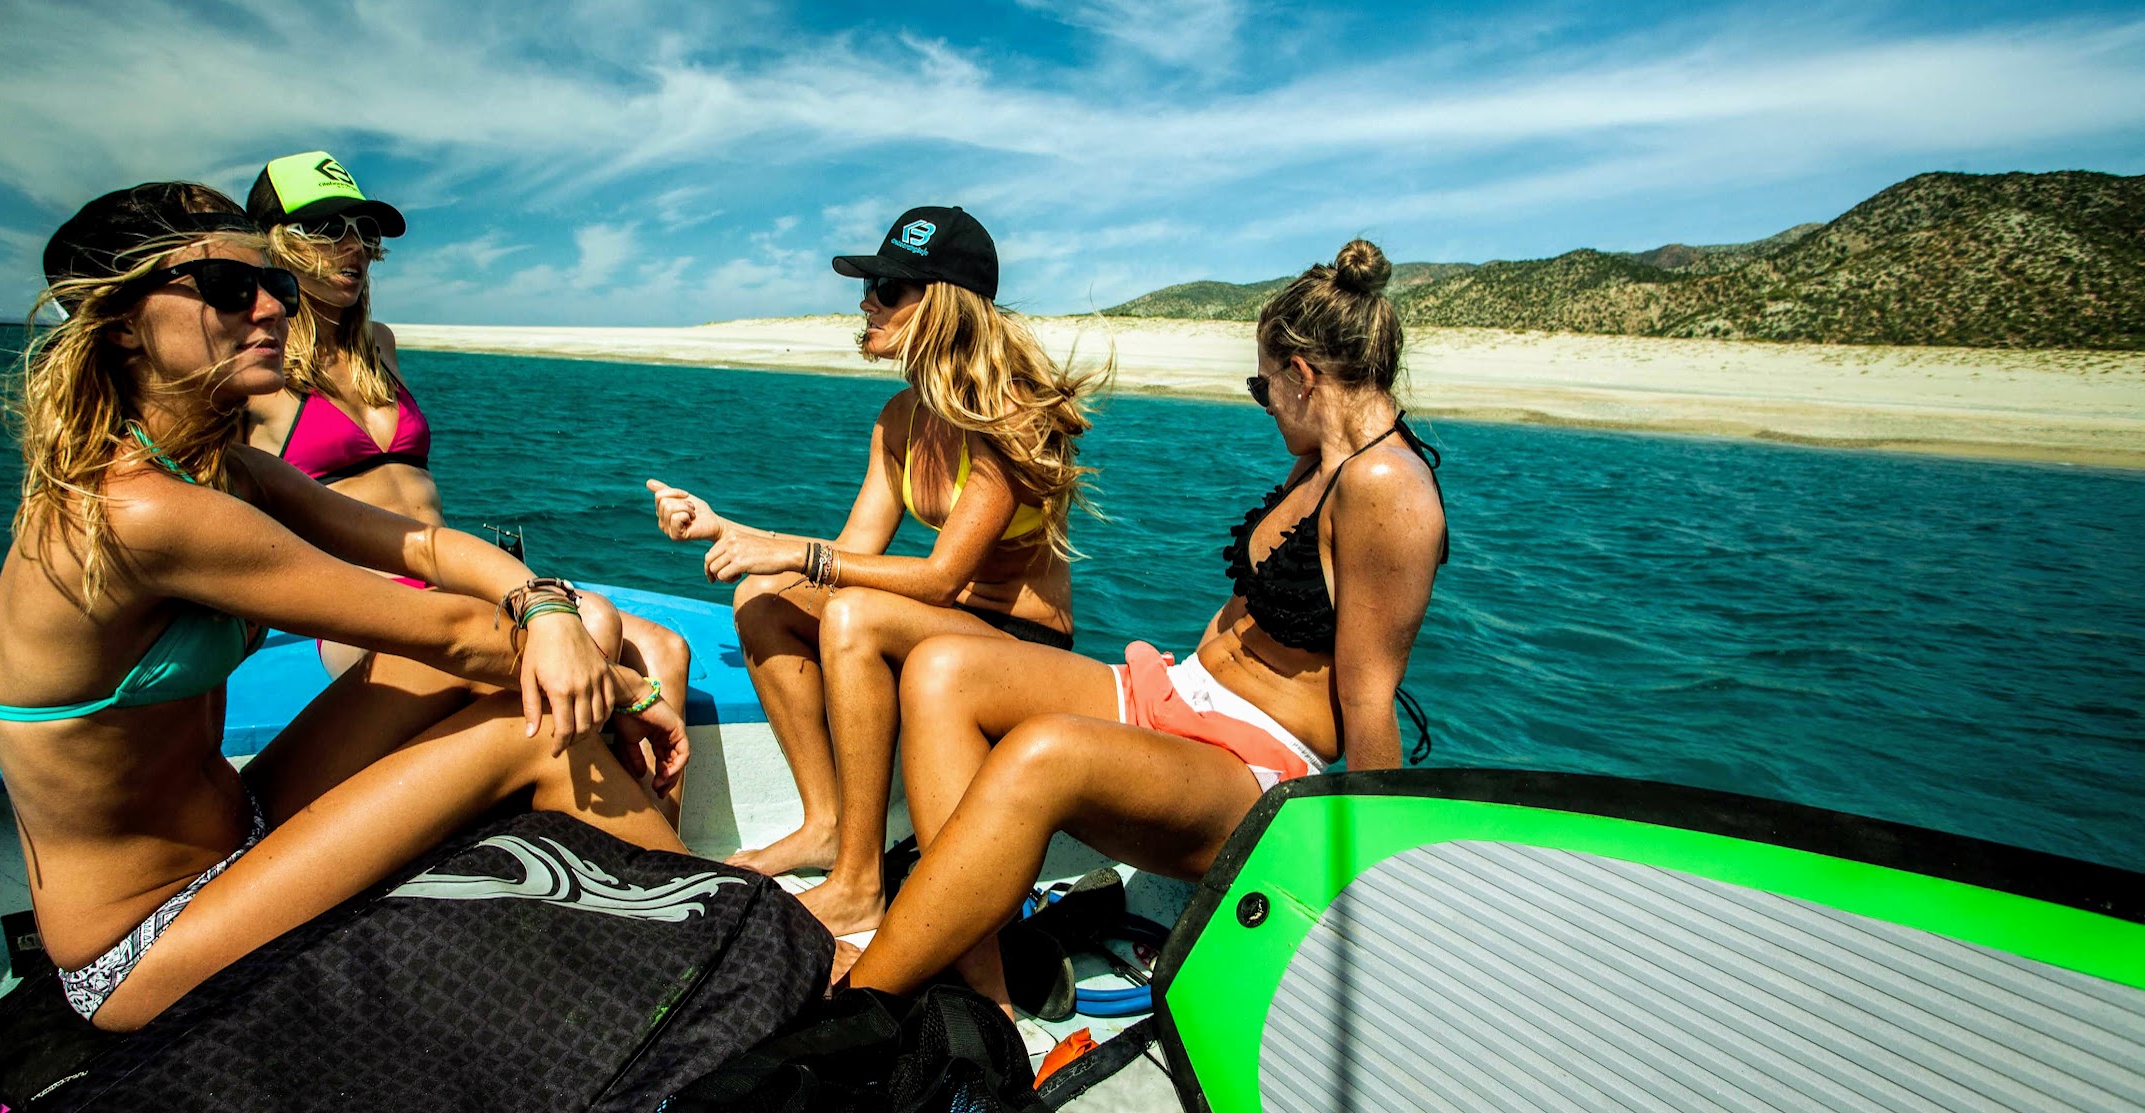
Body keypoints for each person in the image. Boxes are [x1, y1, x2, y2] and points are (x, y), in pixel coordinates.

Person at [0, 183, 687, 1032]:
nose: (269, 309)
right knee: (533, 728)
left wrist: (543, 605)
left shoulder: (219, 471)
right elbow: (454, 631)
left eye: (277, 289)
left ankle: (628, 904)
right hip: (144, 939)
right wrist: (635, 691)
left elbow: (424, 549)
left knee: (553, 648)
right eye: (225, 288)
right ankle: (714, 935)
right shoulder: (143, 510)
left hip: (239, 823)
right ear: (120, 321)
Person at [845, 238, 1445, 1006]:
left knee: (1045, 752)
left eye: (1262, 390)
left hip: (1254, 767)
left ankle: (860, 994)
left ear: (1300, 376)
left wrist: (1366, 891)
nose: (1263, 408)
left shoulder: (1387, 484)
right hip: (1179, 699)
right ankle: (983, 984)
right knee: (941, 667)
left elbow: (1368, 698)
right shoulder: (1320, 457)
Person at [646, 207, 1099, 937]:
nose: (866, 304)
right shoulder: (900, 417)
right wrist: (730, 530)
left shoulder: (1010, 414)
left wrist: (793, 552)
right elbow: (850, 551)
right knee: (762, 597)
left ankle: (858, 882)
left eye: (887, 288)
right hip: (939, 621)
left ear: (941, 304)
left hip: (1020, 645)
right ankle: (824, 824)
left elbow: (941, 580)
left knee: (852, 614)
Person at [238, 151, 691, 808]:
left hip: (448, 569)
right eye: (327, 229)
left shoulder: (378, 345)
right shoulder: (257, 369)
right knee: (591, 620)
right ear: (272, 245)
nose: (353, 248)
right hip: (368, 592)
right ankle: (561, 832)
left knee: (667, 649)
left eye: (363, 232)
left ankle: (657, 850)